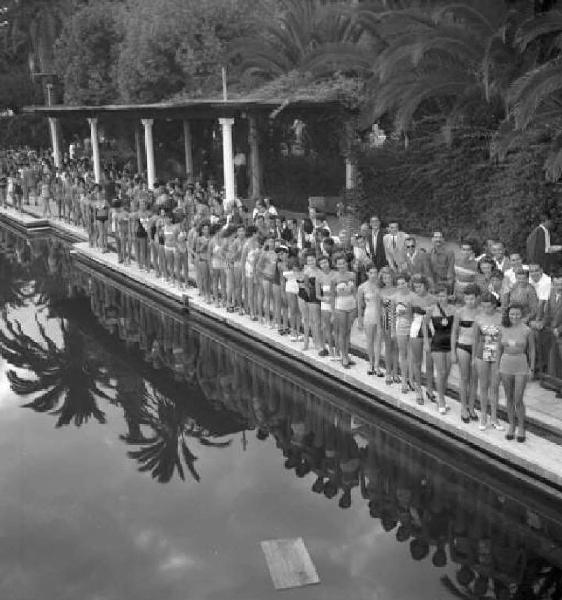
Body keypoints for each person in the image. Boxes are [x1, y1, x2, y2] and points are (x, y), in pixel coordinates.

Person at [498, 304, 535, 442]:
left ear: (522, 314)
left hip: (521, 364)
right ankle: (511, 425)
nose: (514, 317)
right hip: (505, 364)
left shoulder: (527, 330)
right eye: (512, 314)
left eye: (517, 314)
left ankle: (521, 427)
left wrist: (531, 368)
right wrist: (497, 368)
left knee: (518, 398)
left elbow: (532, 350)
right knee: (509, 397)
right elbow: (498, 349)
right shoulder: (503, 328)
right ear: (508, 314)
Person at [472, 292, 503, 431]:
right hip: (482, 353)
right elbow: (475, 340)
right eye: (483, 307)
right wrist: (473, 358)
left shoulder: (502, 318)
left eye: (489, 306)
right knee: (483, 386)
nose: (486, 309)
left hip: (497, 354)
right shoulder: (478, 318)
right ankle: (483, 416)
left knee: (495, 387)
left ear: (494, 306)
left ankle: (494, 417)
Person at [451, 284, 480, 423]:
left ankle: (472, 406)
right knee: (464, 378)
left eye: (472, 299)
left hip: (477, 348)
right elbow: (454, 333)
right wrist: (452, 351)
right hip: (463, 346)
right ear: (464, 299)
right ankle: (463, 407)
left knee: (474, 380)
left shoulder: (481, 312)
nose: (470, 302)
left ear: (477, 298)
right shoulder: (460, 312)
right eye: (467, 299)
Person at [426, 286, 455, 414]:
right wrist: (427, 342)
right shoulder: (432, 309)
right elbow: (424, 324)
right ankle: (441, 400)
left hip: (449, 343)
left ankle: (440, 394)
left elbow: (456, 329)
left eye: (443, 296)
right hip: (437, 343)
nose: (441, 298)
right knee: (441, 371)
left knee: (446, 373)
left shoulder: (454, 310)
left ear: (448, 296)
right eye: (439, 296)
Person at [331, 253, 357, 368]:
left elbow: (355, 291)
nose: (341, 265)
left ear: (347, 263)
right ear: (336, 265)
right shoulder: (334, 278)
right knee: (342, 332)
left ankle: (347, 353)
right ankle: (344, 356)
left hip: (351, 305)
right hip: (340, 306)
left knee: (348, 331)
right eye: (339, 264)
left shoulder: (352, 275)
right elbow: (332, 296)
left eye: (343, 263)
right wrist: (332, 312)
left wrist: (357, 305)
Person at [357, 265, 384, 376]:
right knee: (369, 341)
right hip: (368, 315)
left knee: (378, 341)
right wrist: (359, 318)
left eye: (375, 272)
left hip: (380, 316)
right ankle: (370, 363)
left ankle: (377, 365)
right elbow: (360, 305)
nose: (373, 275)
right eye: (371, 272)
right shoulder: (362, 287)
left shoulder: (381, 286)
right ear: (367, 273)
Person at [541, 272, 562, 397]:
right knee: (553, 357)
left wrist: (559, 330)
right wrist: (544, 323)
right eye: (556, 283)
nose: (559, 286)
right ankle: (556, 383)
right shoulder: (552, 293)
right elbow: (548, 312)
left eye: (561, 283)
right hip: (552, 331)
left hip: (559, 332)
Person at [393, 272, 413, 393]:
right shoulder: (395, 297)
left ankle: (411, 379)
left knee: (412, 355)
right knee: (403, 354)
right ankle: (404, 381)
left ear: (407, 283)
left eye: (403, 283)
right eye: (399, 284)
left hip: (412, 327)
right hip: (400, 326)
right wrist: (392, 331)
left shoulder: (413, 296)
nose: (401, 285)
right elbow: (392, 315)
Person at [380, 267, 398, 385]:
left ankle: (395, 372)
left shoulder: (398, 290)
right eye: (384, 277)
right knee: (388, 347)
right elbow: (380, 309)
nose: (387, 279)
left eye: (389, 277)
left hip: (398, 321)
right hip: (386, 320)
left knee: (396, 348)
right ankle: (388, 372)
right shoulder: (381, 292)